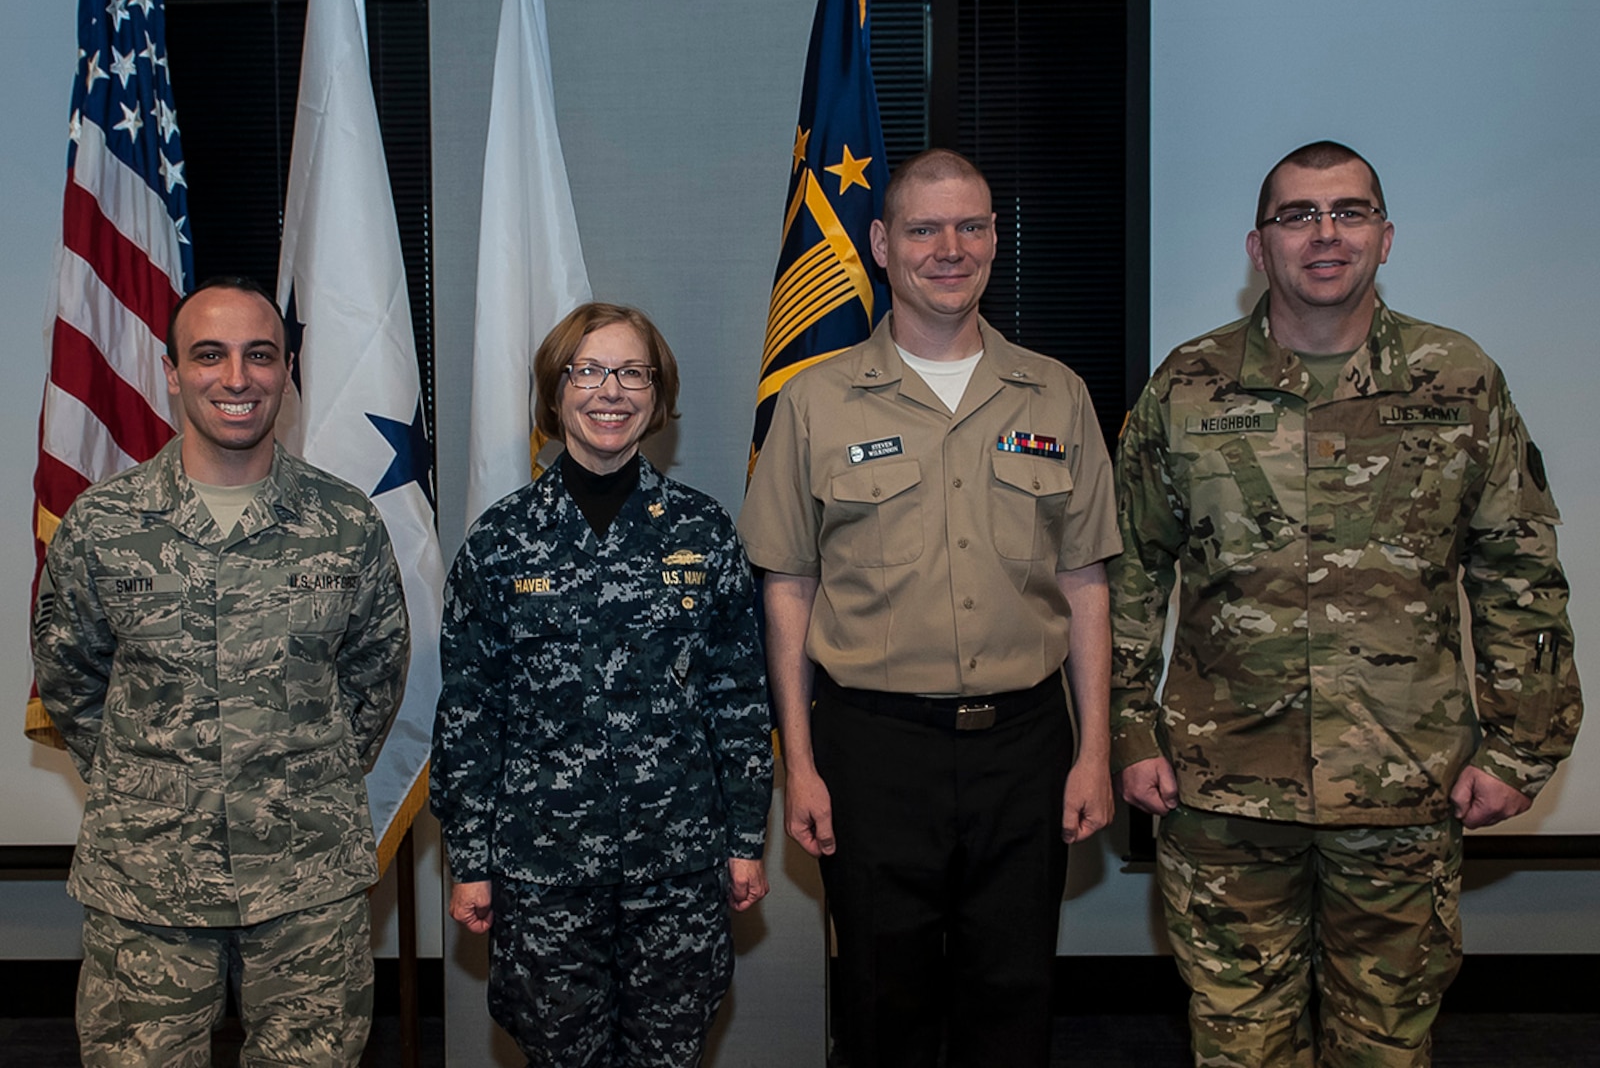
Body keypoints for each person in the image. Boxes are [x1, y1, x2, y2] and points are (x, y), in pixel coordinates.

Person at [1110, 141, 1584, 1067]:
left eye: (1349, 212)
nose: (1324, 234)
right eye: (1298, 215)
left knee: (1386, 1047)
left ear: (1385, 235)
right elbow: (1130, 570)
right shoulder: (1188, 386)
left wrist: (1523, 746)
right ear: (1259, 246)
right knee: (1240, 1048)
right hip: (1224, 791)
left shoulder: (1459, 380)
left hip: (1405, 786)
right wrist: (1129, 730)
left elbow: (1519, 573)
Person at [739, 148, 1121, 1067]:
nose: (950, 248)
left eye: (972, 226)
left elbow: (1085, 584)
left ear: (994, 239)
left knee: (1015, 999)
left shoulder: (1057, 393)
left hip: (1024, 748)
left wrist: (1095, 753)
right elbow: (787, 588)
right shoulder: (815, 401)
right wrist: (802, 764)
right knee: (881, 1005)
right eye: (923, 228)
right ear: (880, 243)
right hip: (873, 749)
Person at [32, 276, 411, 1066]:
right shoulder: (104, 525)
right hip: (148, 886)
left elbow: (375, 680)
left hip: (306, 884)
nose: (236, 379)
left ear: (288, 370)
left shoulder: (346, 525)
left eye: (259, 356)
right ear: (172, 371)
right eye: (210, 356)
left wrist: (293, 781)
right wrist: (156, 784)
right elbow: (72, 682)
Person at [431, 302, 773, 1066]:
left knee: (669, 1055)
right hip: (543, 869)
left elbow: (739, 699)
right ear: (556, 391)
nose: (609, 391)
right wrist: (471, 859)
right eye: (587, 371)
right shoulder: (501, 540)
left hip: (678, 865)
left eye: (632, 373)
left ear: (657, 396)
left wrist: (747, 840)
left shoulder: (702, 531)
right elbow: (470, 715)